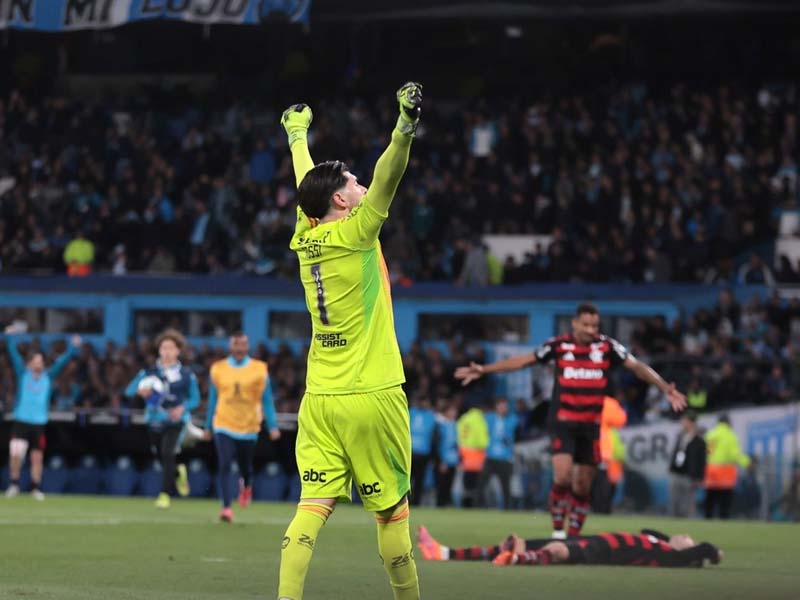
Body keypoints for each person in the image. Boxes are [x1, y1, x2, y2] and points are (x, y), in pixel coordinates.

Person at [277, 82, 423, 600]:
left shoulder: (304, 235)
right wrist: (404, 124)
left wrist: (297, 135)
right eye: (352, 182)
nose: (362, 184)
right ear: (340, 200)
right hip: (373, 392)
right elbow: (391, 172)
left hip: (320, 397)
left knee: (311, 508)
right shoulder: (359, 231)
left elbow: (304, 182)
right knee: (391, 513)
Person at [455, 303, 686, 538]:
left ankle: (573, 535)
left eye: (594, 325)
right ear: (575, 323)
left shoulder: (607, 346)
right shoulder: (559, 345)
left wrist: (665, 388)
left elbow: (637, 366)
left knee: (582, 486)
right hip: (563, 422)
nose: (590, 330)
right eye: (585, 324)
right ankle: (558, 532)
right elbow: (524, 360)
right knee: (563, 477)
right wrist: (485, 369)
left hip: (590, 426)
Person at [204, 331, 280, 523]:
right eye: (235, 345)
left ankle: (246, 486)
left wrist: (273, 426)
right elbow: (213, 400)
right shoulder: (218, 369)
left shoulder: (259, 369)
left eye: (242, 345)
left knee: (246, 467)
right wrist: (208, 426)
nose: (239, 349)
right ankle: (226, 507)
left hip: (248, 427)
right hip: (223, 423)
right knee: (225, 464)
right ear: (231, 347)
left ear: (247, 347)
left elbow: (267, 400)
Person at [124, 329, 200, 509]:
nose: (166, 351)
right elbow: (128, 391)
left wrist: (182, 408)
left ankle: (165, 494)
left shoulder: (186, 374)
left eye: (170, 348)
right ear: (159, 350)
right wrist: (140, 391)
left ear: (178, 351)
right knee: (160, 457)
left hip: (175, 421)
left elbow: (195, 399)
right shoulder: (149, 372)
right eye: (163, 348)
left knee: (167, 453)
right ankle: (178, 473)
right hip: (154, 420)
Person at [3, 330, 81, 499]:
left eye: (41, 362)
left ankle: (35, 487)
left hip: (38, 423)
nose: (40, 364)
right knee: (15, 455)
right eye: (37, 362)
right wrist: (9, 338)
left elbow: (62, 362)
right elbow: (13, 354)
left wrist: (72, 348)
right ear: (29, 363)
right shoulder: (23, 374)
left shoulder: (48, 376)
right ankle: (14, 484)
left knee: (37, 457)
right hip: (21, 421)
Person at [416, 525, 722, 568]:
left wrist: (713, 554)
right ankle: (443, 553)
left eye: (689, 541)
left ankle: (518, 560)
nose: (687, 536)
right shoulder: (658, 541)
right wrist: (669, 537)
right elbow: (648, 530)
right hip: (594, 539)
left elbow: (705, 548)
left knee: (560, 551)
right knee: (514, 540)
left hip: (605, 552)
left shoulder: (671, 556)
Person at [704, 414, 751, 519]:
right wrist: (747, 463)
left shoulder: (711, 434)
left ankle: (707, 520)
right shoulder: (730, 435)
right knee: (724, 500)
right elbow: (734, 455)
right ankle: (723, 520)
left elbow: (707, 453)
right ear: (728, 423)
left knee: (710, 499)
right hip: (725, 471)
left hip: (710, 470)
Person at [668, 409, 706, 518]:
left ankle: (688, 526)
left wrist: (700, 477)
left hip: (690, 476)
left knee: (688, 504)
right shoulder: (681, 437)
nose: (682, 423)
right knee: (674, 502)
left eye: (684, 421)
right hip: (677, 472)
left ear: (691, 422)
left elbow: (702, 460)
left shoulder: (699, 441)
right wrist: (672, 467)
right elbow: (677, 454)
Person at [593, 395, 627, 514]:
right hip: (606, 451)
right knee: (605, 482)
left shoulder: (593, 401)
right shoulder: (610, 403)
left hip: (600, 450)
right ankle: (603, 508)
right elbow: (621, 419)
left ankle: (599, 508)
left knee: (600, 481)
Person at [481, 397, 517, 509]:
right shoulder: (489, 418)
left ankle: (507, 508)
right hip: (490, 456)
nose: (503, 408)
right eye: (500, 405)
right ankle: (478, 506)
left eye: (505, 405)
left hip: (505, 458)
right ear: (496, 406)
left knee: (505, 486)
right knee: (481, 483)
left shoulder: (512, 420)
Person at [456, 404, 489, 508]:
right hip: (477, 454)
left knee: (466, 481)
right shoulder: (479, 419)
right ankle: (474, 504)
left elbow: (458, 434)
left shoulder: (463, 418)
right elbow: (482, 440)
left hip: (464, 453)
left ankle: (465, 504)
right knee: (476, 482)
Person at [409, 397, 437, 506]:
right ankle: (405, 502)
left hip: (423, 453)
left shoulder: (431, 416)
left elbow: (434, 436)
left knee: (419, 480)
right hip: (410, 452)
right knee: (408, 480)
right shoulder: (412, 412)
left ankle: (416, 502)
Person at [434, 403, 459, 507]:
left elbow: (457, 444)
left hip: (453, 460)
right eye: (451, 411)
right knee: (442, 485)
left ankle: (447, 504)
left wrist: (459, 459)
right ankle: (440, 505)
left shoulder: (456, 425)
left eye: (455, 411)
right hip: (444, 460)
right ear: (446, 412)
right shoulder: (441, 426)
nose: (453, 413)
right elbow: (438, 444)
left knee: (450, 485)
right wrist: (441, 461)